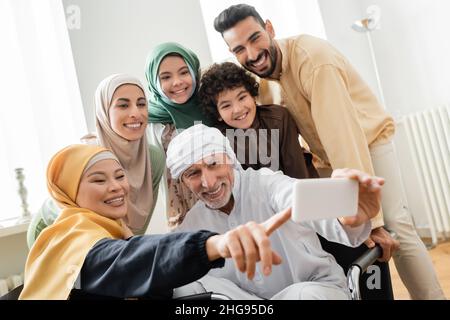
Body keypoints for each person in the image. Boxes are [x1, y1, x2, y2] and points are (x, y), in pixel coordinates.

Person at [213, 3, 444, 299]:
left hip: (367, 142)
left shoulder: (313, 60)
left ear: (270, 28)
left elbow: (344, 137)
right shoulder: (265, 74)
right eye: (239, 49)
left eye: (255, 38)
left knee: (396, 228)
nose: (251, 53)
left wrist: (369, 221)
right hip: (326, 157)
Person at [19, 144, 291, 299]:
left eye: (119, 175)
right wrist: (214, 244)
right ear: (68, 191)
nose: (116, 187)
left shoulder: (109, 231)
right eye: (99, 180)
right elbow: (133, 259)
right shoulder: (73, 240)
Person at [167, 124, 384, 300]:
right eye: (193, 173)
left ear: (230, 159)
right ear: (184, 182)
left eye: (213, 164)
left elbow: (297, 199)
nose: (208, 182)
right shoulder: (193, 223)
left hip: (313, 289)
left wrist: (346, 216)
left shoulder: (268, 184)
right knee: (182, 287)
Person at [26, 74, 165, 247]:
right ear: (104, 111)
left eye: (141, 104)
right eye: (123, 105)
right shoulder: (90, 154)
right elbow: (75, 213)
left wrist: (130, 248)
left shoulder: (153, 157)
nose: (135, 113)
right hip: (54, 227)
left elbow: (141, 216)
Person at [198, 61, 318, 179]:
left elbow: (297, 172)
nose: (238, 109)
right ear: (218, 114)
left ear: (253, 95)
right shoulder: (219, 140)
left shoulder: (279, 118)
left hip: (299, 189)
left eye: (242, 97)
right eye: (226, 106)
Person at [145, 42, 213, 228]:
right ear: (153, 81)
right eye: (166, 77)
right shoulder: (149, 120)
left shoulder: (213, 106)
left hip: (223, 199)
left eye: (184, 72)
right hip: (182, 211)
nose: (177, 82)